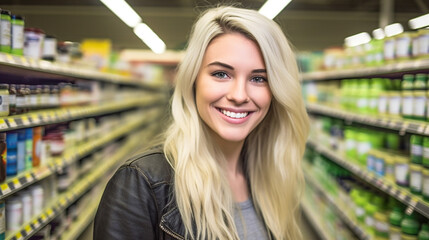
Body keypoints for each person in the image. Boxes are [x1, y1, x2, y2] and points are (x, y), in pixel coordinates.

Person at [94, 5, 309, 240]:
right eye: (221, 74)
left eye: (258, 78)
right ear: (193, 79)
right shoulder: (141, 184)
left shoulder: (270, 175)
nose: (239, 95)